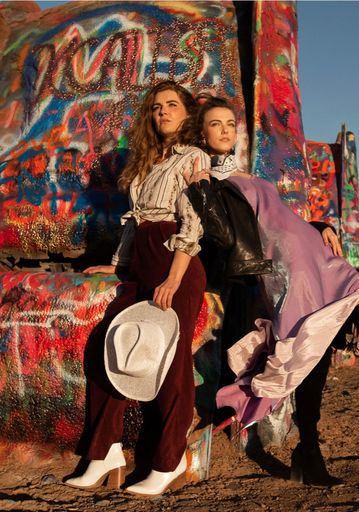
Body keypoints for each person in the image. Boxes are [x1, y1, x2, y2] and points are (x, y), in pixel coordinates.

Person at [187, 96, 359, 486]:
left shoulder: (249, 175)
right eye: (214, 124)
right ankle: (310, 451)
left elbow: (280, 219)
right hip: (292, 275)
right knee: (312, 359)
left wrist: (319, 224)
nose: (224, 130)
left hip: (321, 260)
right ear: (201, 134)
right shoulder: (208, 184)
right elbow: (224, 237)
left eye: (228, 123)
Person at [65, 81, 209, 496]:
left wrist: (174, 276)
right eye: (157, 107)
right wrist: (114, 265)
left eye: (172, 105)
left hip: (174, 259)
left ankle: (167, 461)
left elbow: (193, 221)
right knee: (108, 349)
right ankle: (103, 450)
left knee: (171, 365)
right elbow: (134, 221)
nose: (163, 112)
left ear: (186, 114)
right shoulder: (147, 161)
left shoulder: (193, 157)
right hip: (142, 259)